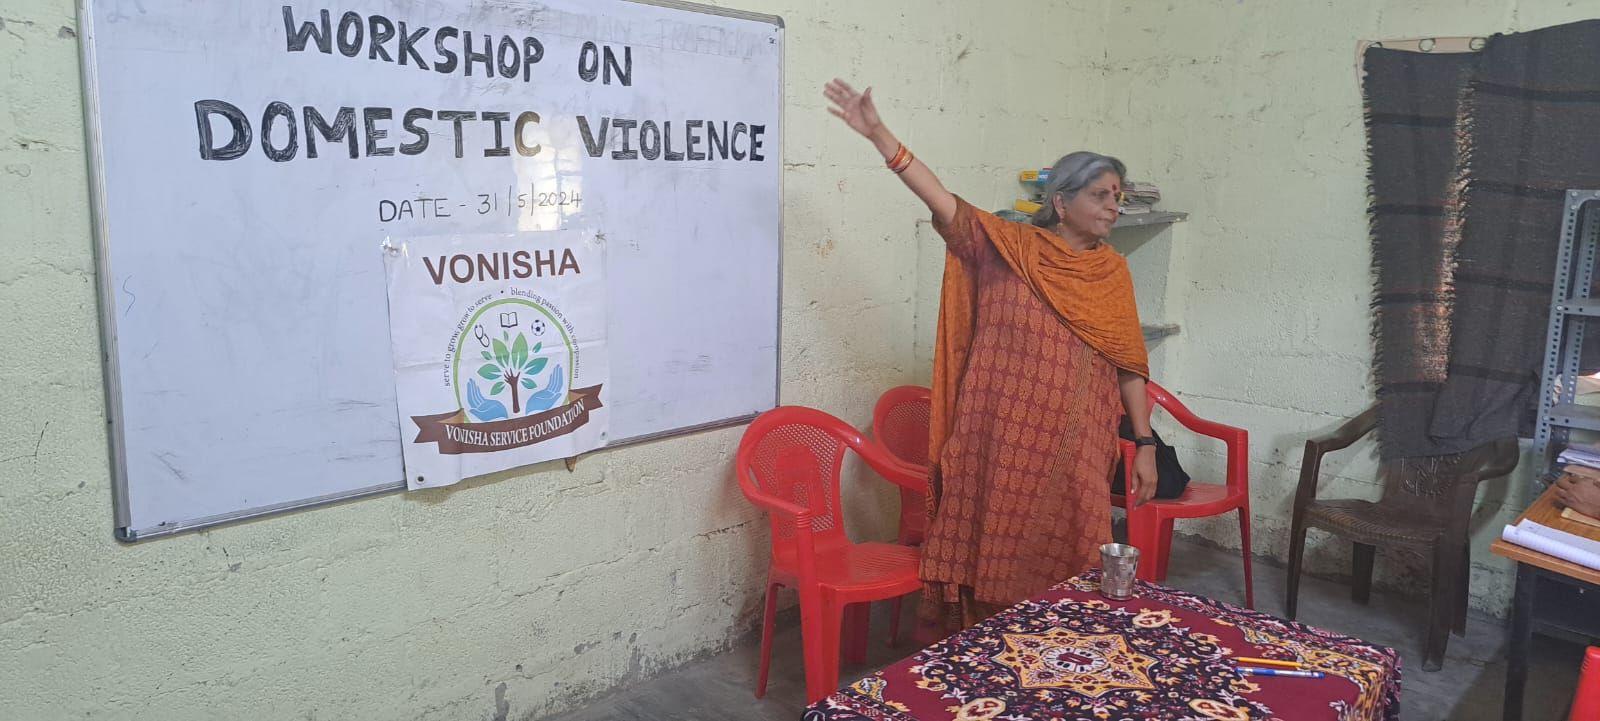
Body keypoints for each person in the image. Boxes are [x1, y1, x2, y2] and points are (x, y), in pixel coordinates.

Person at [824, 79, 1159, 632]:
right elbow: (939, 198)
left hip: (1075, 446)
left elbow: (1128, 362)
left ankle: (1056, 658)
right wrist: (879, 134)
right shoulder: (1004, 248)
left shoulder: (1110, 273)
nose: (1113, 206)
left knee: (1073, 552)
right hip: (996, 438)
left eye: (1118, 196)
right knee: (987, 550)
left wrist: (1142, 444)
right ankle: (981, 658)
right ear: (1061, 202)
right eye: (1101, 194)